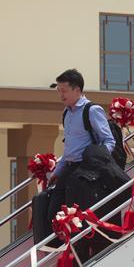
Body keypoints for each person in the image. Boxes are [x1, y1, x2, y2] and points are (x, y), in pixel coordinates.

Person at [41, 69, 116, 240]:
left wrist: (98, 162)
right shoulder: (67, 112)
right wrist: (58, 172)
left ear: (77, 90)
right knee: (53, 212)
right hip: (69, 168)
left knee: (76, 217)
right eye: (58, 90)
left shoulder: (91, 110)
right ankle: (60, 249)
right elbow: (69, 148)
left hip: (86, 171)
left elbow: (109, 141)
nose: (61, 95)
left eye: (64, 90)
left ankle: (77, 252)